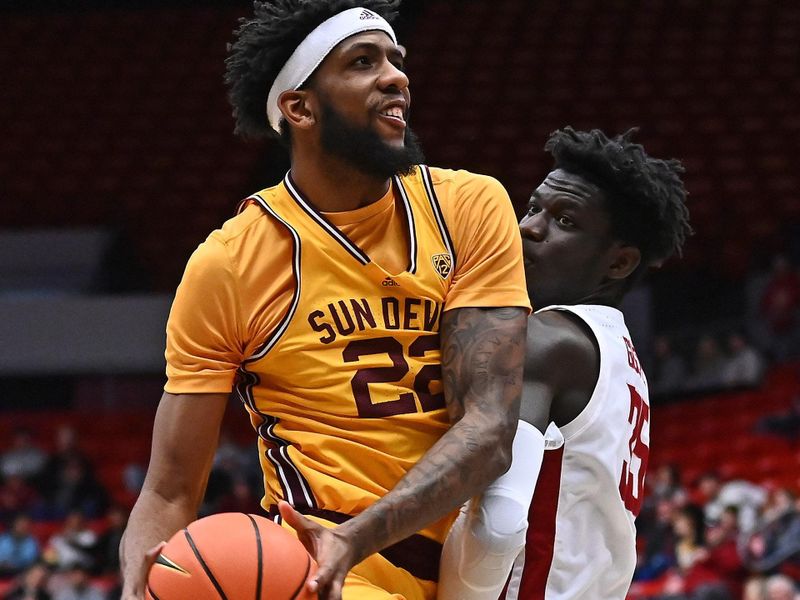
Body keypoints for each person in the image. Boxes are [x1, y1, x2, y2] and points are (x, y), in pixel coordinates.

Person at [119, 2, 530, 599]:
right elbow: (170, 489)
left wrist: (359, 537)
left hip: (475, 558)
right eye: (363, 63)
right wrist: (135, 582)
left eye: (396, 60)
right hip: (323, 565)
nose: (396, 77)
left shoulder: (468, 206)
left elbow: (489, 426)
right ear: (299, 107)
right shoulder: (231, 263)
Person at [438, 127, 692, 599]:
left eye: (565, 221)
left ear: (618, 264)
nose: (528, 228)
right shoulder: (620, 356)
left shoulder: (550, 341)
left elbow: (498, 526)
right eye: (534, 207)